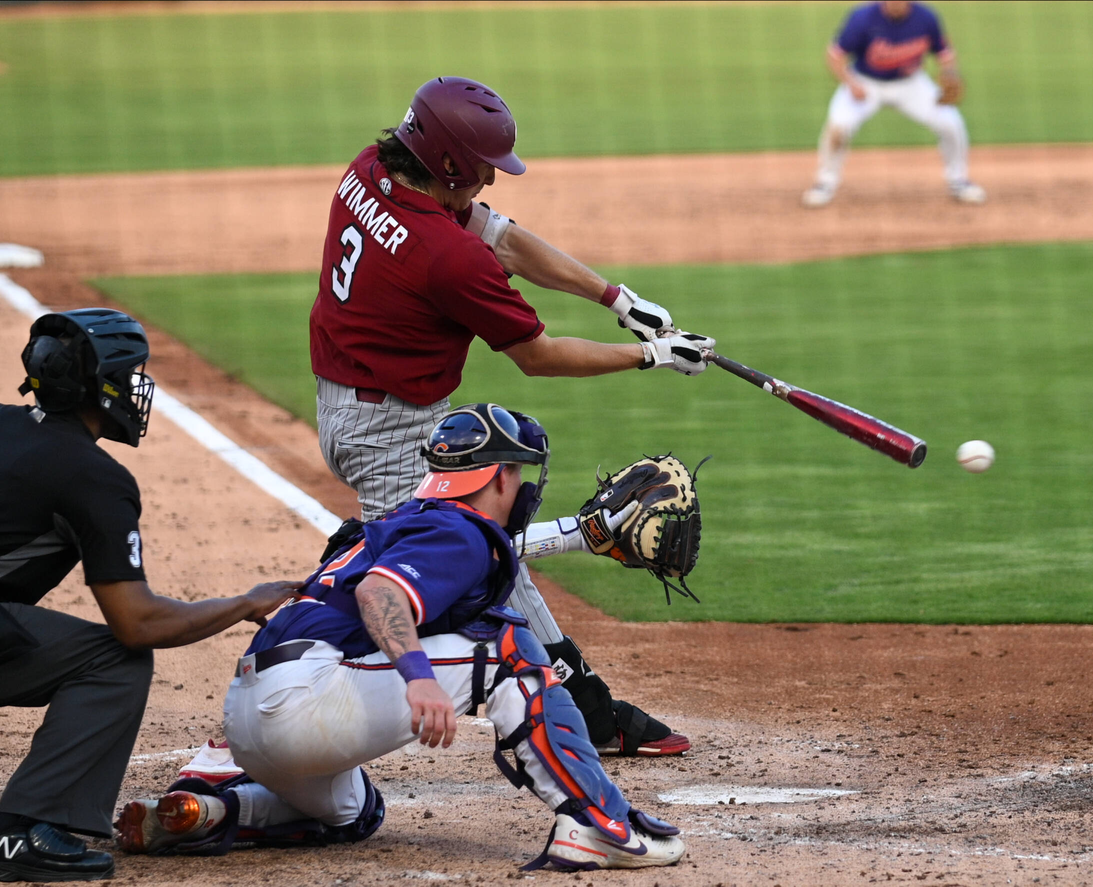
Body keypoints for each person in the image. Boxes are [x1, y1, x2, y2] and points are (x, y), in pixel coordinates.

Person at [309, 76, 712, 758]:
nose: (492, 181)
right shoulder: (446, 258)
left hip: (359, 398)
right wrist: (649, 355)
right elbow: (539, 355)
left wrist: (614, 295)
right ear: (448, 165)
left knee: (466, 552)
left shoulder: (372, 169)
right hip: (386, 430)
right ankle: (582, 708)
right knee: (452, 566)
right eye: (482, 168)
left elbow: (501, 237)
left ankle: (586, 700)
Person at [115, 403, 685, 872]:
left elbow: (421, 584)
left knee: (356, 812)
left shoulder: (403, 525)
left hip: (254, 725)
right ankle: (596, 824)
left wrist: (576, 536)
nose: (522, 482)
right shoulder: (457, 530)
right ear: (499, 476)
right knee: (508, 648)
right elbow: (380, 597)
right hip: (305, 701)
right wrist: (420, 681)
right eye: (518, 471)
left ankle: (209, 807)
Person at [0, 309, 299, 883]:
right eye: (132, 372)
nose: (139, 386)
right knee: (115, 660)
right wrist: (244, 602)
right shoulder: (92, 476)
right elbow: (137, 623)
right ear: (100, 384)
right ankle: (24, 832)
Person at [800, 0, 986, 207]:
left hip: (911, 84)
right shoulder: (862, 17)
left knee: (951, 122)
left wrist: (950, 73)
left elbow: (945, 54)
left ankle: (958, 181)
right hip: (865, 83)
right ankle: (825, 183)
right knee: (838, 126)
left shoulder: (926, 17)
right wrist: (851, 84)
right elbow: (834, 56)